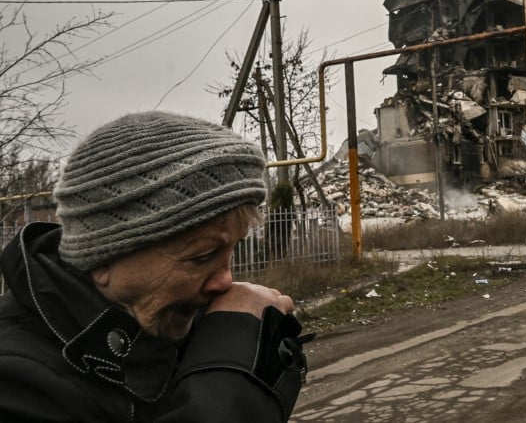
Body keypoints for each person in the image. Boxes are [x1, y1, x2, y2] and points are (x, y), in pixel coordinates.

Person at [0, 111, 309, 422]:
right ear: (104, 256)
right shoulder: (16, 384)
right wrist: (236, 371)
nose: (225, 281)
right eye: (203, 256)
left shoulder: (169, 329)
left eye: (231, 251)